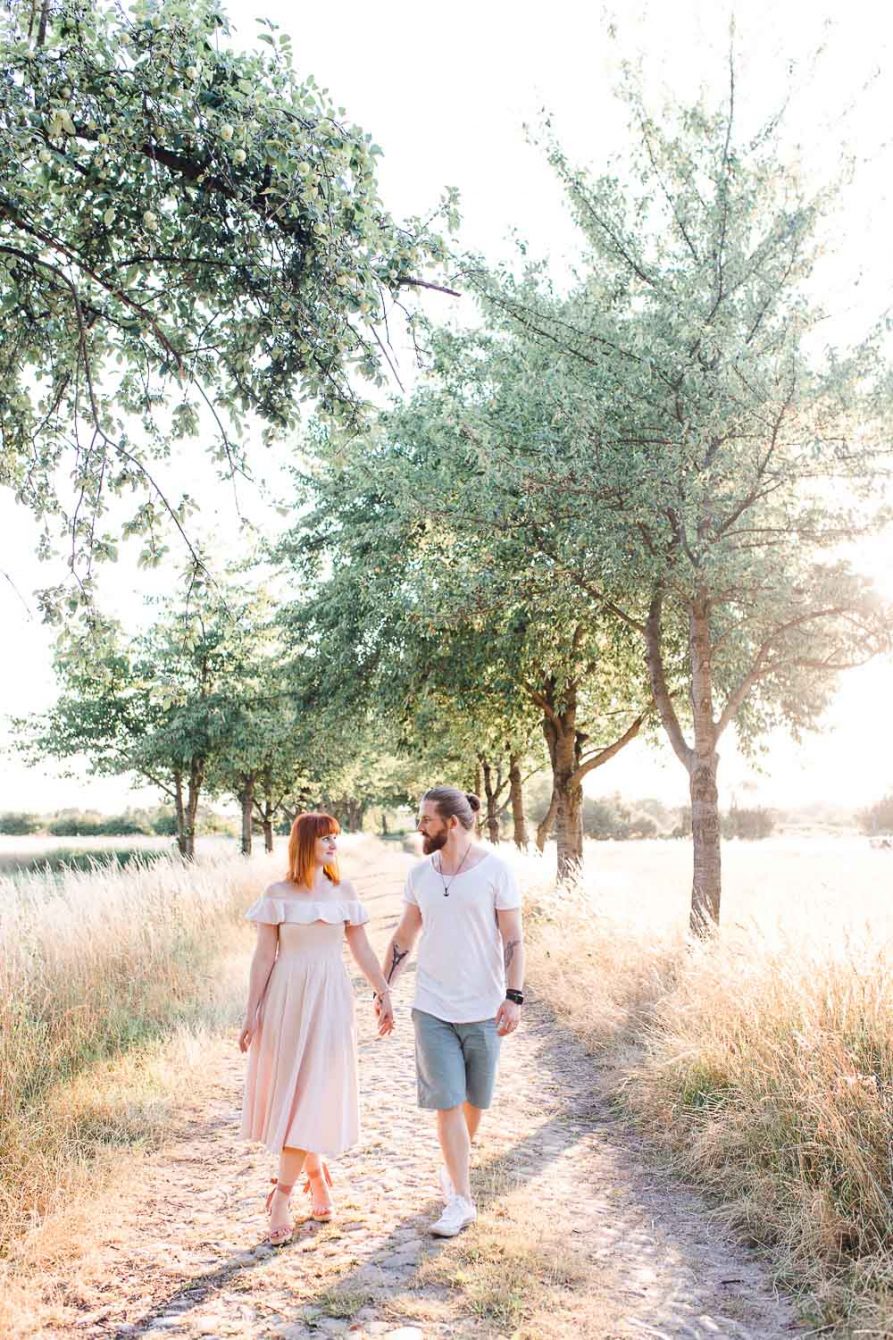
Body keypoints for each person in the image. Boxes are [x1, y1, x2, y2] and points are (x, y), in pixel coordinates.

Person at [239, 811, 394, 1245]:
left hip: (329, 998)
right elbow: (263, 957)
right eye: (325, 838)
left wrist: (383, 991)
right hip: (287, 999)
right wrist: (251, 1012)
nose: (332, 845)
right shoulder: (277, 894)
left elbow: (361, 949)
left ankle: (282, 1197)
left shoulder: (345, 892)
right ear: (304, 843)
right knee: (295, 1094)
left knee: (315, 1091)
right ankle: (316, 1176)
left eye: (335, 838)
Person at [379, 786, 525, 1237]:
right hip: (432, 1008)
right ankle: (461, 1201)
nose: (420, 826)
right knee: (446, 1102)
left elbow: (513, 939)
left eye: (426, 819)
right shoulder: (419, 875)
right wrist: (384, 989)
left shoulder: (495, 871)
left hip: (483, 1007)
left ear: (453, 823)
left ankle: (453, 1167)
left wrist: (514, 996)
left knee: (473, 1102)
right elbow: (404, 937)